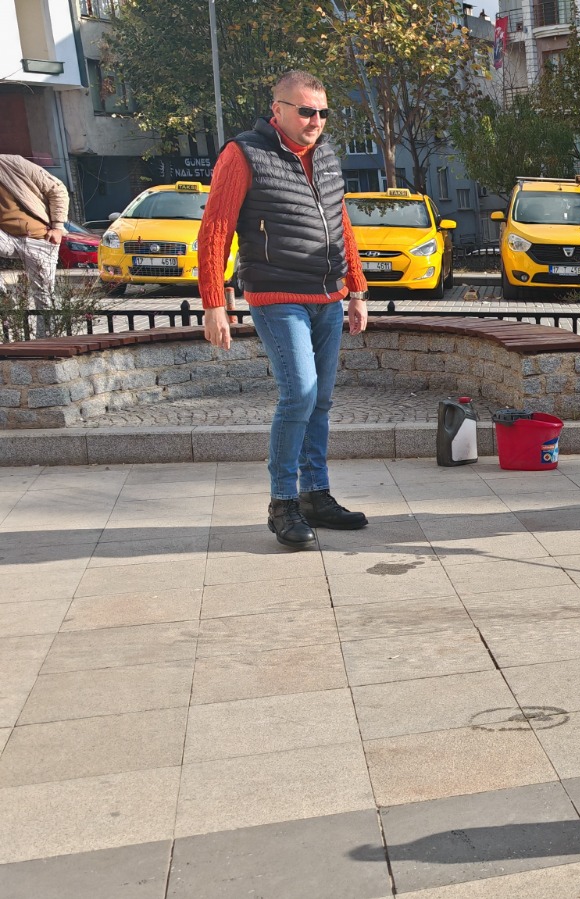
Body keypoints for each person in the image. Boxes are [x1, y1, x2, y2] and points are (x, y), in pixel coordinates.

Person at [198, 70, 371, 550]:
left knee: (321, 401)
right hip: (277, 296)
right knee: (299, 395)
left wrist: (356, 289)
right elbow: (215, 229)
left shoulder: (327, 155)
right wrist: (214, 301)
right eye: (305, 111)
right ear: (277, 110)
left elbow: (342, 224)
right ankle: (283, 503)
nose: (315, 120)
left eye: (322, 112)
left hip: (328, 298)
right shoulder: (244, 153)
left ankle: (315, 494)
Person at [0, 154, 70, 331]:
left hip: (39, 237)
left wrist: (58, 227)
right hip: (6, 237)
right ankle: (4, 296)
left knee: (44, 296)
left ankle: (48, 343)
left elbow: (57, 189)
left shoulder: (13, 163)